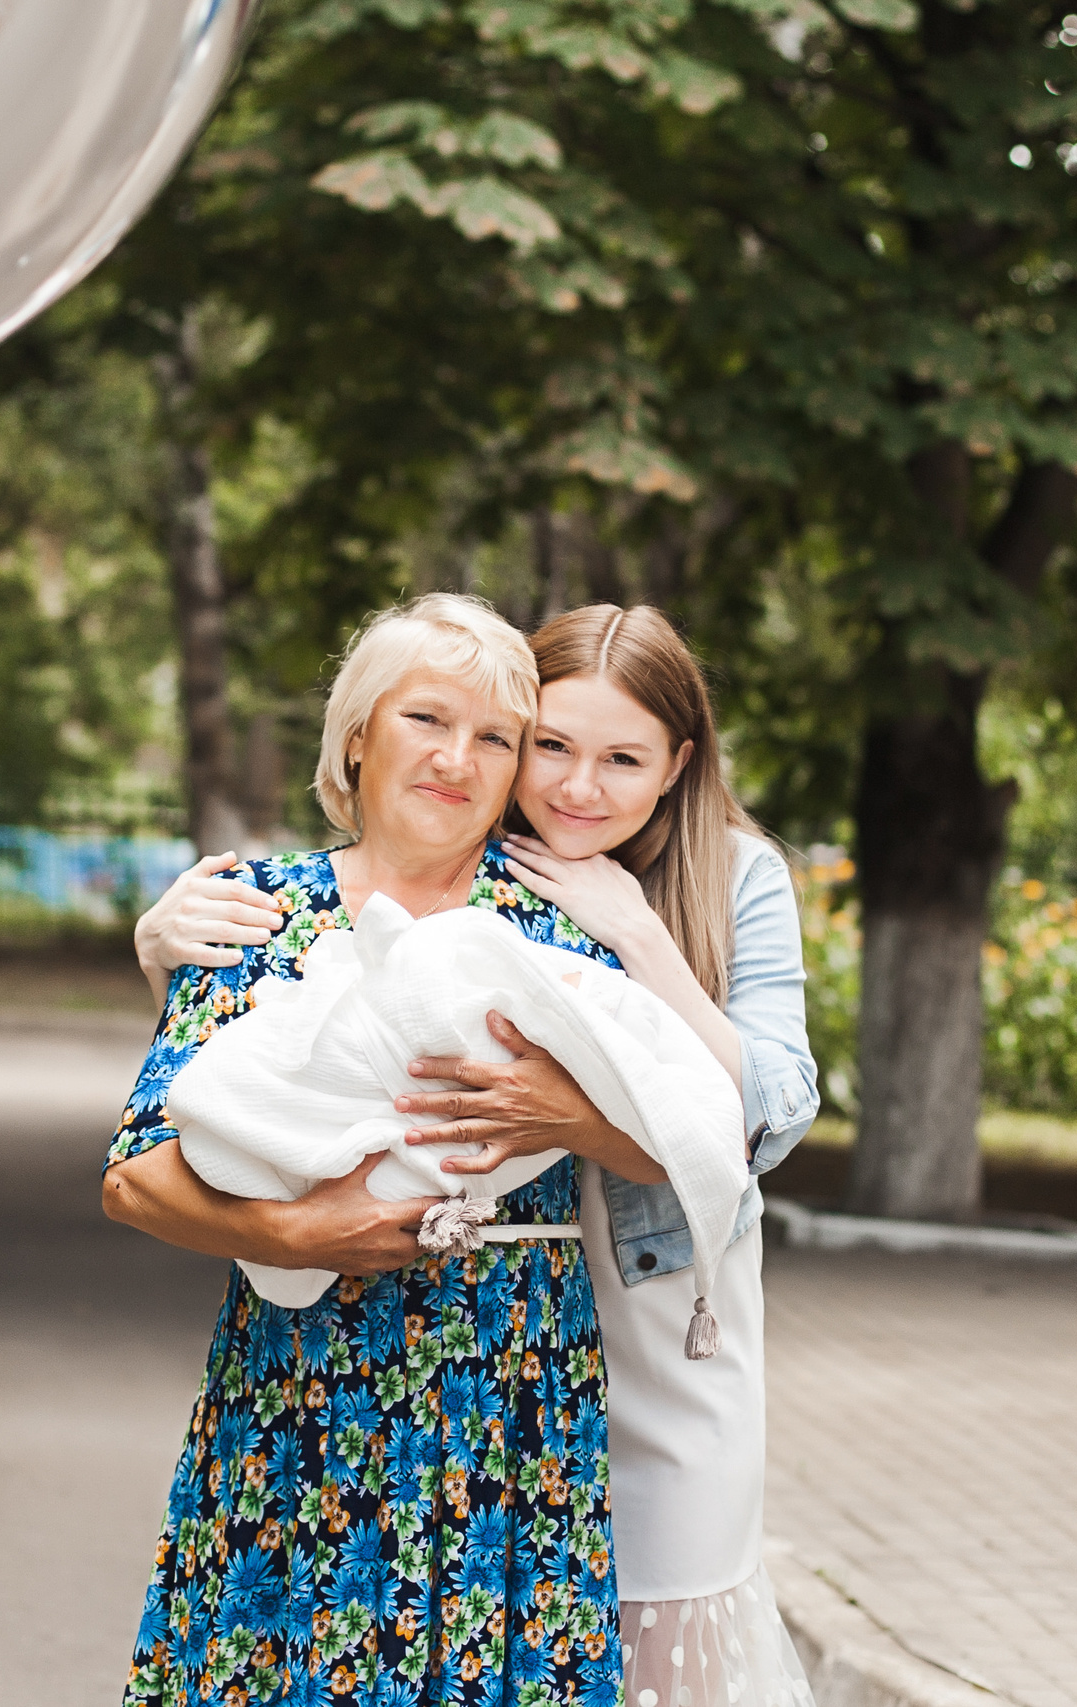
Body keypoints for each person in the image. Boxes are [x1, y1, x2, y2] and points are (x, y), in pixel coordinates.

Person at [136, 603, 822, 1707]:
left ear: (677, 764)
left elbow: (764, 1121)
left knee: (649, 1625)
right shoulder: (414, 878)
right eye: (547, 744)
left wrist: (639, 936)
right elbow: (274, 1063)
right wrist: (157, 942)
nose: (575, 787)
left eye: (621, 758)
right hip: (452, 1303)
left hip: (630, 1312)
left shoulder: (709, 880)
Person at [103, 594, 634, 1707]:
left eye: (495, 738)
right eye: (426, 721)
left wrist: (561, 1117)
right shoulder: (258, 913)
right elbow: (134, 1175)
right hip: (298, 1382)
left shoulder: (557, 932)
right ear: (358, 735)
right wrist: (295, 1229)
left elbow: (673, 1130)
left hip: (508, 1381)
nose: (458, 759)